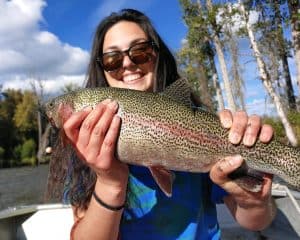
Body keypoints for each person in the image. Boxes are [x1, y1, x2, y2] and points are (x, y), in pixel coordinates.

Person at [47, 8, 276, 240]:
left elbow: (256, 221)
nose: (127, 64)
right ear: (102, 70)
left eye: (140, 51)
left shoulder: (204, 123)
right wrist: (110, 182)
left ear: (158, 55)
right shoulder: (83, 149)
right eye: (112, 59)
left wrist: (254, 202)